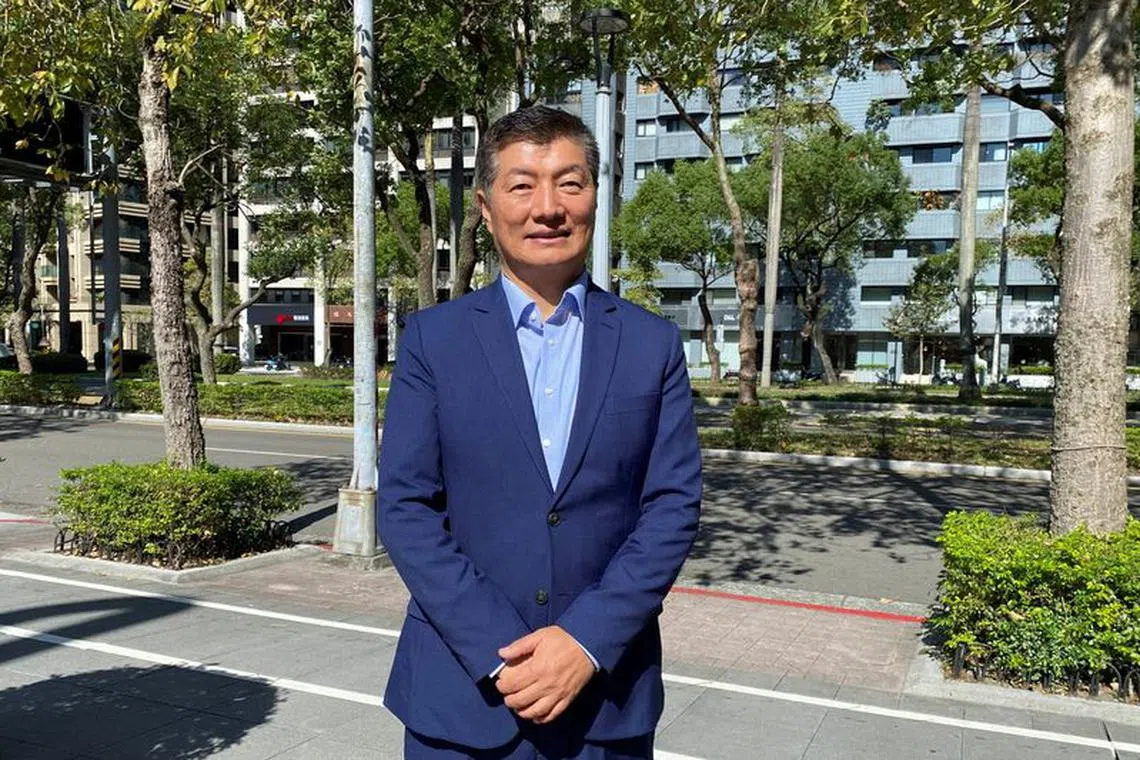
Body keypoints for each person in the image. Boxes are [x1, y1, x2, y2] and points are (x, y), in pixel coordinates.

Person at [377, 105, 702, 760]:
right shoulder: (433, 341)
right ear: (487, 206)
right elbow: (406, 507)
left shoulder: (651, 344)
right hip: (462, 699)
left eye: (569, 182)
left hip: (604, 702)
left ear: (594, 197)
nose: (547, 207)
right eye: (523, 185)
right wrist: (503, 653)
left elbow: (671, 508)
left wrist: (583, 642)